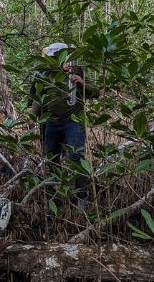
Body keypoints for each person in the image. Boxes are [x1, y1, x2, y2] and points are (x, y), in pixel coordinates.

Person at [28, 42, 100, 209]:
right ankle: (55, 192)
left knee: (76, 157)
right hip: (52, 122)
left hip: (73, 121)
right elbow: (39, 97)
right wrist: (32, 116)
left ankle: (82, 195)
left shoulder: (76, 70)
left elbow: (95, 92)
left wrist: (81, 83)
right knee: (51, 157)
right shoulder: (45, 74)